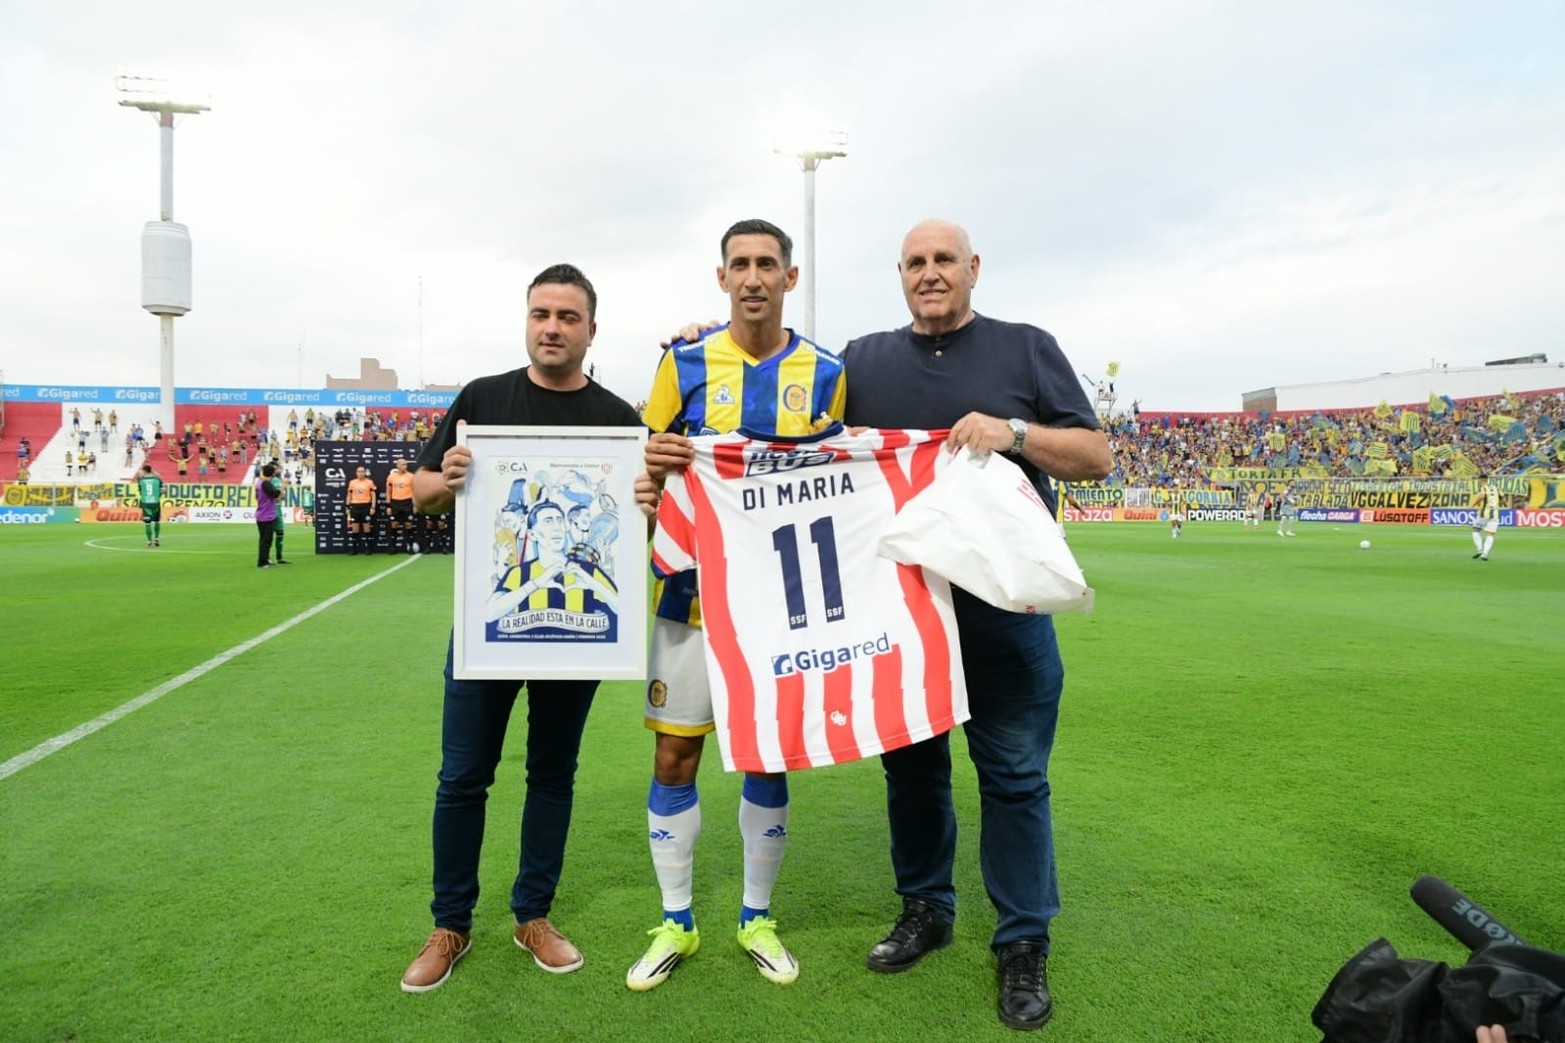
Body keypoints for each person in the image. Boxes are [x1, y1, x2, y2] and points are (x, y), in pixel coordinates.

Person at [839, 220, 1109, 1031]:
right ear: (899, 274)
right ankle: (926, 907)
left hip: (1004, 614)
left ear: (972, 269)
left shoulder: (1026, 348)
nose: (930, 273)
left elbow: (1095, 455)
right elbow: (791, 438)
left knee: (1015, 778)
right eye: (916, 262)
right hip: (904, 612)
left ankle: (1021, 941)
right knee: (911, 775)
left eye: (943, 260)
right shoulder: (860, 361)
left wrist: (1012, 432)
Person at [399, 263, 642, 994]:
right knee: (462, 774)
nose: (553, 327)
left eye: (569, 316)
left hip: (575, 624)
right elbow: (421, 495)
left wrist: (646, 497)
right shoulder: (482, 398)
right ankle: (450, 924)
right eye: (542, 313)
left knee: (552, 772)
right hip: (490, 624)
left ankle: (532, 913)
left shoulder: (618, 418)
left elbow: (644, 519)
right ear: (526, 320)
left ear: (590, 330)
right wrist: (449, 475)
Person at [628, 219, 847, 993]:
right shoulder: (681, 362)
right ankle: (677, 920)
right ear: (720, 278)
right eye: (739, 265)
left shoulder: (825, 373)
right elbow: (648, 475)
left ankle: (756, 916)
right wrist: (650, 474)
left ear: (790, 276)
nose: (753, 276)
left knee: (765, 751)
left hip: (775, 606)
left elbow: (840, 482)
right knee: (672, 754)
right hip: (686, 596)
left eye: (767, 264)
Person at [384, 458, 417, 553]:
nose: (405, 466)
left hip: (408, 503)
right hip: (395, 503)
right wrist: (388, 506)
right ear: (397, 466)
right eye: (402, 465)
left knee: (409, 525)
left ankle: (410, 547)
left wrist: (414, 505)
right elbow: (388, 492)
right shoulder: (391, 477)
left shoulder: (412, 476)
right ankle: (393, 548)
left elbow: (415, 492)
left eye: (406, 465)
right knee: (394, 525)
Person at [254, 462, 283, 568]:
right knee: (266, 540)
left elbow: (256, 497)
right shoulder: (265, 484)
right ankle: (262, 562)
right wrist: (281, 488)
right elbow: (275, 494)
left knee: (264, 539)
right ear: (272, 474)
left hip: (262, 514)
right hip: (267, 515)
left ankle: (264, 559)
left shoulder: (259, 482)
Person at [346, 466, 377, 554]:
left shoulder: (369, 482)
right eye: (359, 471)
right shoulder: (352, 482)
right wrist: (347, 506)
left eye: (362, 471)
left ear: (365, 472)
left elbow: (373, 495)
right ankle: (354, 549)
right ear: (356, 473)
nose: (361, 473)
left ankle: (368, 549)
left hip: (366, 506)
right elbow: (349, 495)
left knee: (366, 528)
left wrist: (373, 507)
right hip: (355, 506)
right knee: (355, 528)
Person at [1471, 476, 1500, 560]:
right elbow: (1502, 496)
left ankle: (1480, 550)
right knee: (1490, 534)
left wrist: (1472, 505)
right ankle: (1485, 554)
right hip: (1495, 513)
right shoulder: (1496, 488)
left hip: (1484, 513)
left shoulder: (1483, 488)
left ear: (1480, 480)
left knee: (1475, 529)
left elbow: (1481, 496)